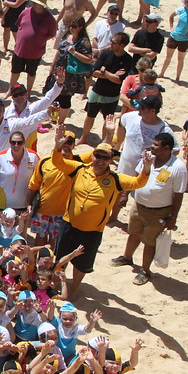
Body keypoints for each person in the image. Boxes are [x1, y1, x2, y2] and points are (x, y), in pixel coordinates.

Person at [51, 124, 153, 297]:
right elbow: (57, 161)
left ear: (110, 160)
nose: (100, 160)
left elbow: (138, 183)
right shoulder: (79, 169)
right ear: (93, 156)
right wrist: (57, 145)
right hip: (69, 223)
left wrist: (147, 167)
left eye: (105, 157)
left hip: (92, 230)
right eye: (97, 155)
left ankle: (74, 287)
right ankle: (54, 286)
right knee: (61, 257)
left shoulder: (115, 179)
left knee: (82, 264)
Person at [112, 133, 185, 285]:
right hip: (138, 205)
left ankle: (145, 270)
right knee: (133, 233)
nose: (152, 147)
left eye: (156, 145)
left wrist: (173, 218)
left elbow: (178, 195)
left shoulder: (178, 168)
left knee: (150, 242)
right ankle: (127, 257)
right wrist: (125, 194)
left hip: (158, 211)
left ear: (166, 148)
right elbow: (136, 176)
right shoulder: (148, 158)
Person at [80, 31, 134, 146]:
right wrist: (111, 75)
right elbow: (94, 72)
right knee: (90, 116)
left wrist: (104, 71)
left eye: (114, 42)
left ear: (122, 45)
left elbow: (118, 80)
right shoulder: (106, 54)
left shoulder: (127, 59)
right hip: (97, 90)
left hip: (111, 95)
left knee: (107, 120)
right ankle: (83, 138)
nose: (111, 44)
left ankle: (103, 143)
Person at [11, 0, 57, 93]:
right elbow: (19, 26)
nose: (33, 4)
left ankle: (28, 92)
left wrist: (38, 39)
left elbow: (51, 34)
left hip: (35, 51)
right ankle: (10, 91)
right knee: (15, 71)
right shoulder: (25, 12)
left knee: (31, 73)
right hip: (20, 48)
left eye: (36, 3)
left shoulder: (49, 19)